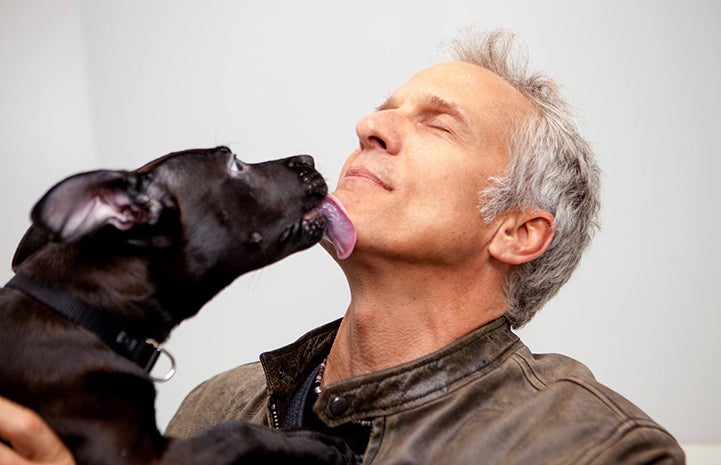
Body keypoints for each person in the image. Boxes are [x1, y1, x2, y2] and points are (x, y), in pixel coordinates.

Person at [0, 30, 683, 464]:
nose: (368, 125)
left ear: (515, 230)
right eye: (382, 109)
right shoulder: (217, 402)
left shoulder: (596, 447)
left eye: (436, 124)